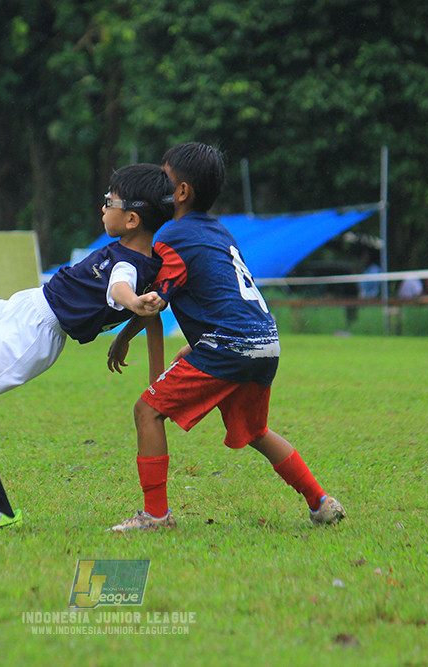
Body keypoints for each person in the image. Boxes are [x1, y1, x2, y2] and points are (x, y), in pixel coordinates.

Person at [0, 163, 173, 531]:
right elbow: (144, 308)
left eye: (108, 201)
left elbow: (120, 288)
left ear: (131, 219)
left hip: (32, 334)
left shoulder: (128, 265)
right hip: (23, 307)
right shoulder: (142, 258)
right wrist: (126, 337)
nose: (102, 207)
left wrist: (133, 304)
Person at [107, 142, 345, 532]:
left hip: (230, 345)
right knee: (256, 431)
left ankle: (155, 515)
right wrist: (196, 344)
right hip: (264, 341)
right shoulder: (220, 232)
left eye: (163, 178)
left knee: (146, 411)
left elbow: (155, 302)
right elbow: (224, 295)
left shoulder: (171, 238)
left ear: (181, 191)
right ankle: (321, 502)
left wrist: (125, 334)